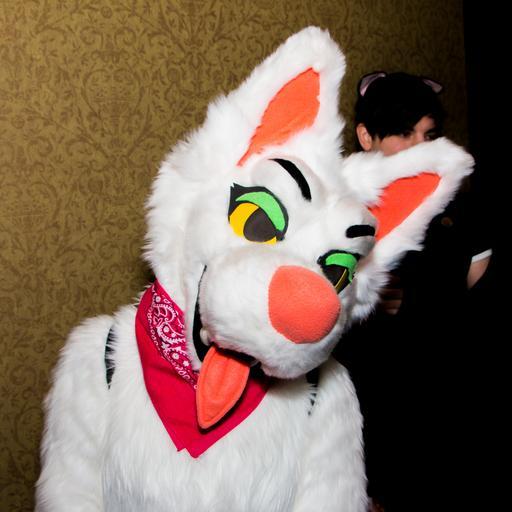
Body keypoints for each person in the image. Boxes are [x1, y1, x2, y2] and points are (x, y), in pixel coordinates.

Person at [335, 72, 492, 511]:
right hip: (377, 423)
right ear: (366, 137)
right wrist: (360, 296)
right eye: (404, 134)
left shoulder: (457, 207)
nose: (422, 148)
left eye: (429, 135)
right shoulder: (342, 214)